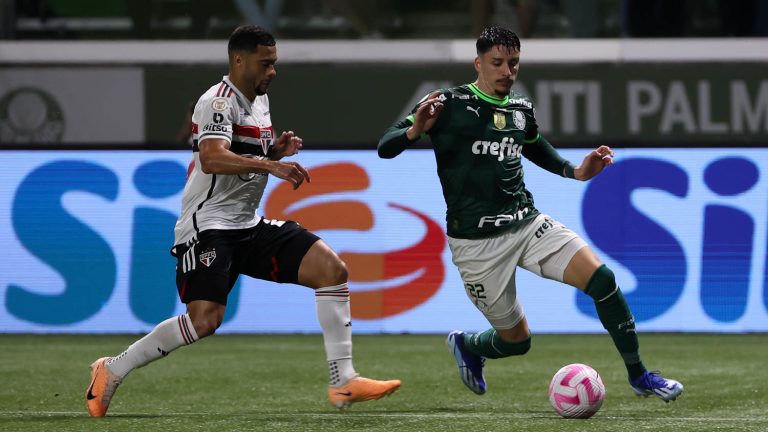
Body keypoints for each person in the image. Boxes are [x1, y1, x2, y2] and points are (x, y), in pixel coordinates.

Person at [85, 25, 400, 417]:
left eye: (275, 63)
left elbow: (242, 151)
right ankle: (111, 368)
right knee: (205, 320)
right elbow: (212, 157)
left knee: (331, 269)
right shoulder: (217, 102)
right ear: (239, 59)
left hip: (247, 224)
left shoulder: (260, 102)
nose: (273, 71)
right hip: (209, 227)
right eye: (265, 63)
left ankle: (343, 381)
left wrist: (274, 149)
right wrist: (270, 163)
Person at [377, 25, 683, 402]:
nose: (507, 71)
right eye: (498, 63)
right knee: (517, 341)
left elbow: (535, 145)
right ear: (478, 63)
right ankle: (469, 345)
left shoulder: (520, 107)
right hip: (476, 244)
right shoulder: (448, 103)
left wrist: (575, 171)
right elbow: (385, 146)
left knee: (602, 280)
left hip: (526, 222)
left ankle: (640, 376)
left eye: (514, 63)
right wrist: (413, 132)